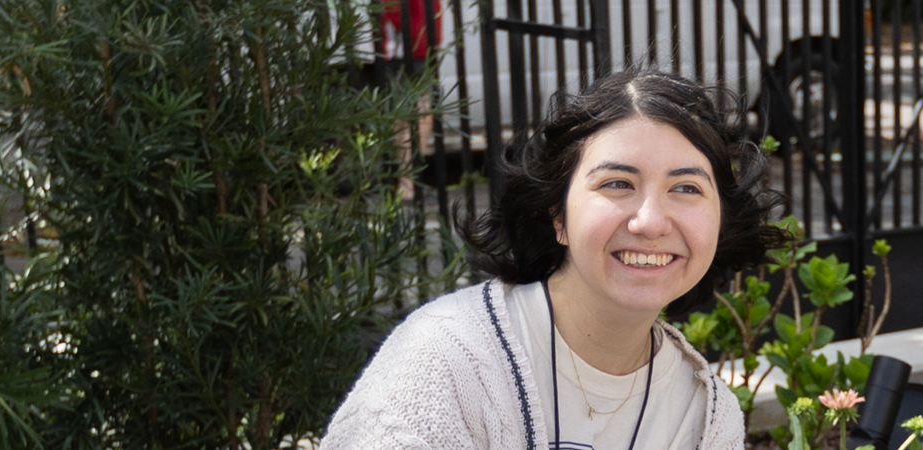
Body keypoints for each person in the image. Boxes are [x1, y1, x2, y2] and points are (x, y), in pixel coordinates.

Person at [324, 70, 790, 449]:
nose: (651, 221)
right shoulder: (447, 359)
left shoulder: (707, 416)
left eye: (686, 188)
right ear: (557, 217)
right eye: (617, 184)